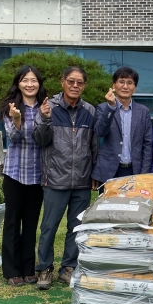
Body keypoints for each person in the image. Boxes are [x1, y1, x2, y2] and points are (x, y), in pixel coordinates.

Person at [33, 66, 98, 289]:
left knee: (76, 227)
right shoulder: (48, 107)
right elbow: (40, 140)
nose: (75, 86)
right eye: (71, 81)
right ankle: (44, 269)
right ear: (62, 82)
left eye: (80, 82)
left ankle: (68, 268)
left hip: (81, 180)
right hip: (55, 179)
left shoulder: (89, 110)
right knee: (49, 227)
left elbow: (94, 145)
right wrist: (45, 119)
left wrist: (94, 173)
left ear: (84, 86)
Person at [0, 65, 47, 287]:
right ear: (18, 83)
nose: (30, 84)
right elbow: (13, 138)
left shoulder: (45, 106)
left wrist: (45, 117)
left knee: (30, 223)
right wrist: (17, 120)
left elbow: (46, 137)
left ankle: (28, 268)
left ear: (39, 83)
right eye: (25, 80)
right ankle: (11, 270)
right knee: (12, 223)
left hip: (37, 175)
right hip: (15, 174)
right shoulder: (11, 107)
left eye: (33, 80)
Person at [92, 66, 153, 183]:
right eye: (121, 82)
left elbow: (147, 144)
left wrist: (144, 173)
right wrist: (111, 107)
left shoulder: (143, 111)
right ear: (114, 85)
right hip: (108, 171)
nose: (125, 86)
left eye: (130, 83)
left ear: (134, 88)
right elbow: (100, 132)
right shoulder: (103, 108)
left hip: (134, 170)